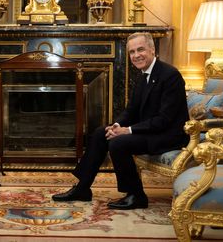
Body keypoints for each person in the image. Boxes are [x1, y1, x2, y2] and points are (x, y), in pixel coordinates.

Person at [52, 32, 189, 210]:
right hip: (151, 131)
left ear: (152, 49)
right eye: (132, 52)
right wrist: (117, 125)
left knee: (119, 143)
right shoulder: (143, 75)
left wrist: (128, 130)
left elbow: (164, 120)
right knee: (102, 132)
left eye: (140, 50)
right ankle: (83, 188)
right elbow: (131, 110)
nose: (136, 55)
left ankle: (136, 195)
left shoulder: (170, 75)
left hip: (168, 135)